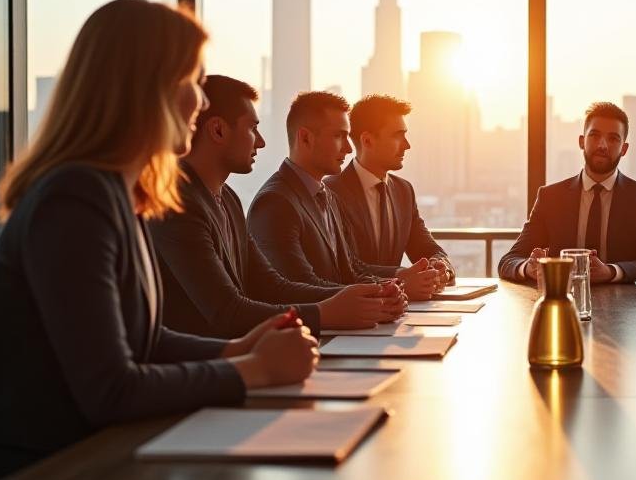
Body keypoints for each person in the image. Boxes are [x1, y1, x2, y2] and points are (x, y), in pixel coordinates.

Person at [0, 0, 319, 480]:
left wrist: (237, 349)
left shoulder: (120, 194)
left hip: (87, 462)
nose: (201, 104)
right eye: (191, 84)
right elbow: (110, 389)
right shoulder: (73, 200)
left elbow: (141, 338)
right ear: (147, 91)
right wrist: (254, 371)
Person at [150, 77, 406, 340]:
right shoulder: (177, 205)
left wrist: (370, 296)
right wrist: (325, 313)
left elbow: (273, 287)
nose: (260, 142)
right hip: (208, 369)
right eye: (252, 128)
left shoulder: (228, 199)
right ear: (217, 131)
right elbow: (227, 312)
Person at [247, 91, 441, 300]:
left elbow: (350, 271)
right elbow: (301, 286)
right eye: (339, 136)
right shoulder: (275, 203)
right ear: (305, 138)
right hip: (313, 330)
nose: (349, 148)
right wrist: (397, 286)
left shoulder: (327, 196)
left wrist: (395, 283)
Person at [498, 102, 636, 283]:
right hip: (564, 303)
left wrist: (610, 272)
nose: (602, 145)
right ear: (581, 141)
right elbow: (508, 261)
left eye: (613, 139)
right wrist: (529, 268)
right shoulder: (551, 198)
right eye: (594, 136)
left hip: (625, 307)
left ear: (624, 149)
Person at [325, 94, 454, 288]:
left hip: (403, 310)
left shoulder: (403, 191)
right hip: (357, 312)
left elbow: (424, 247)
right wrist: (401, 277)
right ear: (367, 141)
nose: (407, 145)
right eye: (397, 135)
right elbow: (346, 267)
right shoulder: (331, 192)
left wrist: (441, 265)